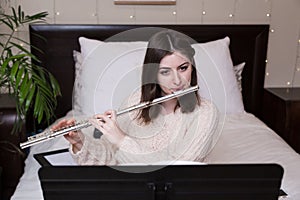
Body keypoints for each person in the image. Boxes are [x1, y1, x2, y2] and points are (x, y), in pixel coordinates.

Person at [52, 29, 220, 165]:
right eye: (165, 72)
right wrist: (80, 142)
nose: (177, 80)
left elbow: (175, 169)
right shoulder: (136, 101)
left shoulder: (206, 113)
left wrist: (120, 139)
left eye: (183, 68)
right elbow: (111, 156)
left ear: (192, 67)